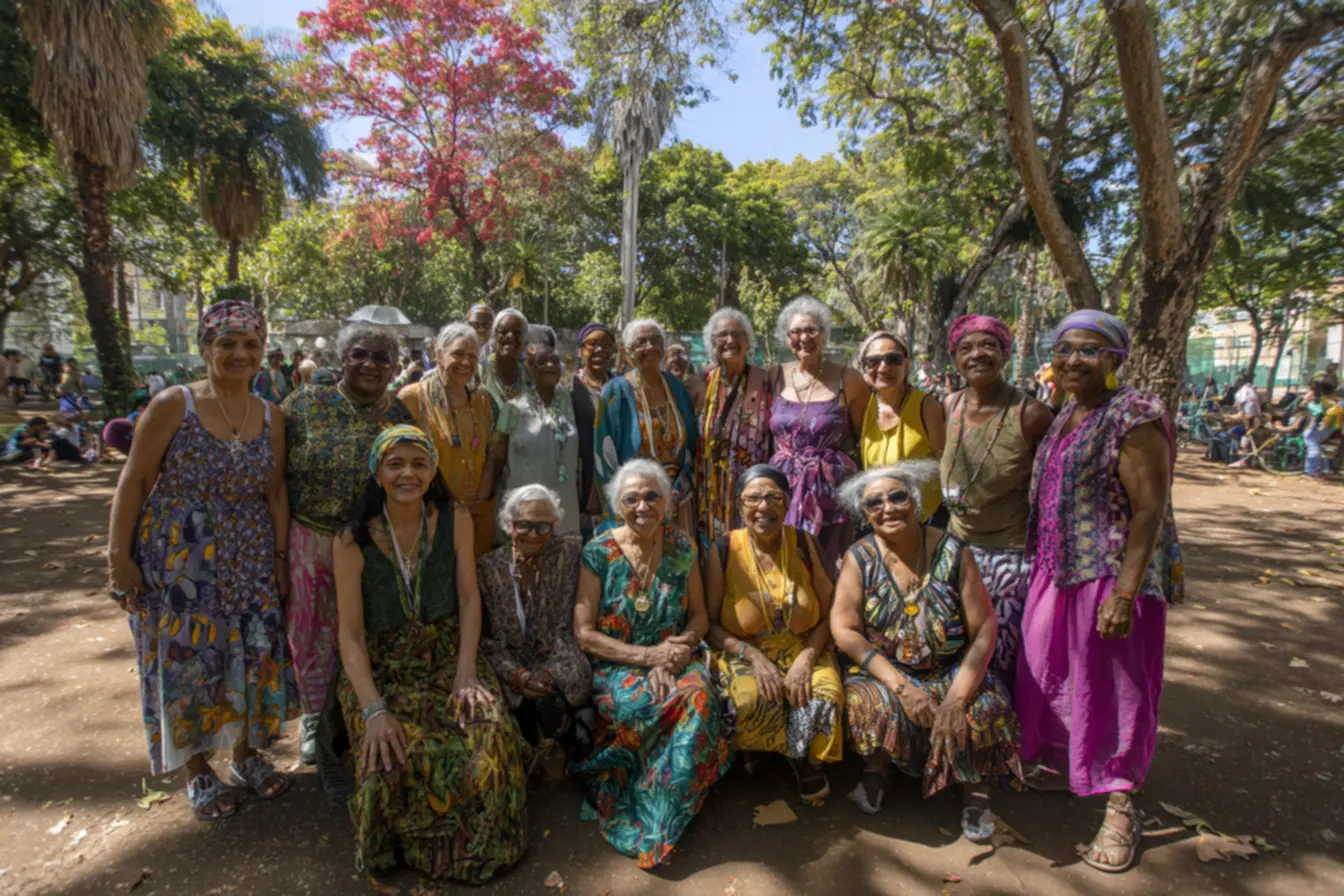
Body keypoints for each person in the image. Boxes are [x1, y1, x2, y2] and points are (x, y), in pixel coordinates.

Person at [106, 299, 294, 822]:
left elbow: (276, 492)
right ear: (205, 348)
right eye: (227, 343)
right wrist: (118, 558)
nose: (240, 353)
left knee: (251, 654)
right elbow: (134, 480)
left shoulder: (271, 415)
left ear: (262, 352)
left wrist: (280, 558)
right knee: (188, 662)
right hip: (181, 562)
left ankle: (246, 756)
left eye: (250, 344)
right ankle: (197, 770)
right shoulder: (174, 404)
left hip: (250, 559)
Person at [1017, 310, 1183, 874]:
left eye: (1087, 350)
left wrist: (1123, 594)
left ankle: (1119, 804)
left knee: (1115, 688)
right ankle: (1073, 766)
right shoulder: (1069, 411)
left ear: (1114, 359)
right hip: (1056, 570)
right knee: (1049, 669)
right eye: (1063, 350)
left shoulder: (1134, 413)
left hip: (1108, 576)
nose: (1071, 360)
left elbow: (1149, 509)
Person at [334, 425, 528, 882]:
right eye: (395, 464)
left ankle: (476, 849)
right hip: (384, 668)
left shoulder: (454, 516)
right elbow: (351, 633)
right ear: (377, 473)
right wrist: (373, 708)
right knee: (391, 755)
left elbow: (467, 599)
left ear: (432, 470)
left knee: (490, 743)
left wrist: (467, 671)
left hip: (448, 654)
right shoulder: (350, 540)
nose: (408, 473)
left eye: (419, 463)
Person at [831, 463, 1020, 840]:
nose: (888, 508)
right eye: (874, 503)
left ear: (914, 502)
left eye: (898, 496)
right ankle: (877, 770)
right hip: (888, 670)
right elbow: (844, 629)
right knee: (868, 701)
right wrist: (901, 686)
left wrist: (955, 698)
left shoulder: (952, 550)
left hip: (950, 668)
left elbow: (984, 627)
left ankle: (975, 789)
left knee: (985, 706)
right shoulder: (860, 557)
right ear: (865, 514)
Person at [571, 459, 730, 869]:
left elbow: (699, 616)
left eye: (652, 496)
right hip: (619, 661)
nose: (643, 505)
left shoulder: (682, 545)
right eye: (631, 498)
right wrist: (647, 657)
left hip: (674, 655)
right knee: (636, 706)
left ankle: (665, 812)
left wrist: (677, 650)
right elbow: (585, 633)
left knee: (698, 700)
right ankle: (636, 797)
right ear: (617, 506)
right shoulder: (599, 551)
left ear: (668, 502)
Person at [282, 324, 412, 773]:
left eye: (382, 358)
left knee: (364, 630)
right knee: (311, 631)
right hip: (311, 537)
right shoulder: (303, 404)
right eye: (361, 354)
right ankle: (316, 720)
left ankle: (361, 709)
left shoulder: (398, 412)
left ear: (394, 366)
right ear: (342, 358)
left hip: (369, 542)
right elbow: (276, 476)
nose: (371, 365)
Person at [705, 464, 842, 800]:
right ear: (739, 506)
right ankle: (759, 749)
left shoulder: (804, 544)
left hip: (804, 645)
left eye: (773, 498)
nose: (763, 507)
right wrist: (752, 656)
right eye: (753, 499)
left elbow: (831, 614)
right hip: (744, 648)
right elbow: (708, 624)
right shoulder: (723, 549)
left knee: (823, 694)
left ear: (786, 503)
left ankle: (807, 760)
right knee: (750, 696)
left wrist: (807, 658)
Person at [941, 315, 1052, 688]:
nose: (977, 355)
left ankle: (1002, 737)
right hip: (955, 551)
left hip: (1008, 558)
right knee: (956, 648)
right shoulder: (947, 406)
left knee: (999, 657)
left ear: (1005, 353)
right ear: (954, 357)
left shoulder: (1031, 415)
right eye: (966, 348)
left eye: (988, 346)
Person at [478, 485, 592, 760]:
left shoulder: (569, 554)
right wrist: (518, 675)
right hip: (509, 660)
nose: (533, 534)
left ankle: (558, 728)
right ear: (509, 525)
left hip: (556, 654)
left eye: (543, 526)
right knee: (492, 694)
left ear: (554, 524)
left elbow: (567, 629)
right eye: (524, 525)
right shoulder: (489, 567)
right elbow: (488, 640)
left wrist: (547, 673)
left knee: (577, 670)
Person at [768, 297, 867, 570]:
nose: (804, 338)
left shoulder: (850, 380)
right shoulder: (774, 376)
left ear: (824, 333)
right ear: (786, 337)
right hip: (781, 488)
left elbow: (860, 437)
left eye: (812, 330)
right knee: (783, 563)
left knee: (825, 567)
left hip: (830, 492)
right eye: (795, 332)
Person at [399, 324, 501, 557]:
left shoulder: (483, 399)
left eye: (472, 356)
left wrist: (481, 496)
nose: (466, 362)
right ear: (439, 354)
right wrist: (451, 504)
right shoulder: (413, 398)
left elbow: (492, 451)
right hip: (432, 515)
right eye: (458, 353)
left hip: (478, 514)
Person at [593, 319, 699, 534]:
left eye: (655, 341)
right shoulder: (615, 393)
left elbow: (691, 443)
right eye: (641, 342)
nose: (649, 347)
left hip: (676, 500)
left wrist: (680, 486)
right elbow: (604, 455)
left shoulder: (676, 387)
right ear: (628, 350)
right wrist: (618, 507)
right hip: (635, 504)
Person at [696, 308, 773, 544]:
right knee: (712, 557)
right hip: (708, 494)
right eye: (722, 335)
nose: (730, 340)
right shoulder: (699, 383)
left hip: (751, 491)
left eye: (738, 334)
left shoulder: (767, 381)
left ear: (748, 341)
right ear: (712, 342)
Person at [496, 326, 581, 534]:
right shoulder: (512, 408)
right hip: (525, 505)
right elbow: (496, 457)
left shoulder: (566, 401)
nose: (550, 365)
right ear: (529, 369)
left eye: (554, 361)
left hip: (564, 503)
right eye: (542, 362)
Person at [857, 330, 947, 525]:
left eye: (893, 359)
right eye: (873, 361)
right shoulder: (864, 405)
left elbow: (945, 463)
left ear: (906, 365)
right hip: (881, 517)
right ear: (863, 368)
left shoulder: (926, 405)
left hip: (923, 519)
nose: (883, 367)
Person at [570, 322, 616, 539]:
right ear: (580, 351)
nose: (599, 350)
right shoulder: (568, 387)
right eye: (592, 344)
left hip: (613, 476)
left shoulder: (621, 386)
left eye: (606, 345)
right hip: (579, 476)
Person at [479, 308, 529, 409]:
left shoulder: (529, 376)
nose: (510, 336)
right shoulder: (479, 372)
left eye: (517, 332)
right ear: (494, 337)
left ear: (525, 340)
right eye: (503, 331)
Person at [663, 342, 705, 411]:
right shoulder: (659, 385)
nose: (676, 358)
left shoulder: (695, 385)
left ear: (687, 364)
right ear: (665, 362)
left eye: (680, 355)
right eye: (672, 354)